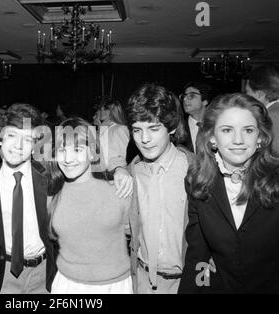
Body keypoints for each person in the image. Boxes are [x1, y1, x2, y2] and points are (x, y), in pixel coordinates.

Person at [179, 93, 279, 293]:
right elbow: (198, 257)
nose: (238, 140)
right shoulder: (198, 181)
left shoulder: (275, 179)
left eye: (248, 130)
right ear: (212, 137)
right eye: (227, 130)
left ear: (259, 137)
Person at [0, 103, 57, 294]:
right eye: (12, 135)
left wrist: (119, 171)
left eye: (27, 139)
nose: (19, 145)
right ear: (0, 138)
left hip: (43, 274)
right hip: (2, 275)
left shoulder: (50, 179)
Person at [49, 117, 133, 294]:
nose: (68, 159)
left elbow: (138, 238)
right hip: (67, 285)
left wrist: (121, 168)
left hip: (112, 286)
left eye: (78, 149)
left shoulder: (118, 191)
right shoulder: (53, 194)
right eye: (62, 150)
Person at [124, 83, 192, 294]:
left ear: (171, 127)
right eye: (137, 130)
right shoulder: (132, 173)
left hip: (187, 282)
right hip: (142, 282)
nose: (144, 139)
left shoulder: (195, 169)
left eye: (153, 128)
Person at [245, 63, 279, 155]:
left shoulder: (272, 116)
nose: (246, 97)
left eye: (248, 92)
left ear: (259, 93)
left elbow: (274, 155)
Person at [95, 99, 131, 170]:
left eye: (104, 109)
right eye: (101, 109)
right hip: (102, 173)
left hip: (116, 172)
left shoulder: (120, 128)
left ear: (111, 111)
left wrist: (120, 170)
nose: (101, 111)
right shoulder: (104, 129)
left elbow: (125, 154)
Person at [180, 82, 213, 153]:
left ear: (205, 101)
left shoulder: (216, 126)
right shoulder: (178, 129)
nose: (185, 99)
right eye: (184, 96)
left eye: (191, 96)